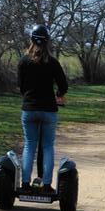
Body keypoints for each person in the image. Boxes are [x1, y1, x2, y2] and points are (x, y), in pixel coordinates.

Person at [18, 24, 67, 194]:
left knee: (29, 145)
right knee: (47, 146)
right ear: (48, 42)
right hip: (48, 110)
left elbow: (21, 87)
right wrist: (58, 93)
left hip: (29, 109)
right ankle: (46, 185)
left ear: (31, 40)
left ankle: (25, 183)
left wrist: (29, 96)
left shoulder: (24, 61)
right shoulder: (53, 63)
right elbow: (63, 86)